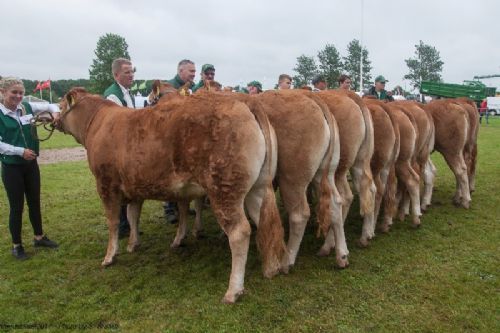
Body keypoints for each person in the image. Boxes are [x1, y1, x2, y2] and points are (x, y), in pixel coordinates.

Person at [0, 77, 59, 260]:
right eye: (14, 93)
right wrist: (19, 151)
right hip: (12, 167)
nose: (18, 96)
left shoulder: (26, 106)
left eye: (20, 92)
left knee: (34, 201)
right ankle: (17, 245)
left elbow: (50, 106)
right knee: (17, 207)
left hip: (30, 165)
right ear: (2, 93)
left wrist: (56, 113)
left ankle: (39, 237)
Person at [103, 58, 136, 238]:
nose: (131, 75)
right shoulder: (112, 95)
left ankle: (127, 224)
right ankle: (123, 224)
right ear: (116, 75)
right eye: (127, 72)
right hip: (118, 146)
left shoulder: (127, 92)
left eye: (132, 72)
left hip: (127, 143)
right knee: (119, 182)